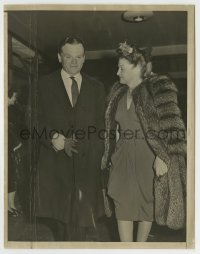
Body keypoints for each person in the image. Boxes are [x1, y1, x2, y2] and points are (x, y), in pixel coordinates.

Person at [101, 41, 186, 242]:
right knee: (121, 202)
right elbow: (114, 129)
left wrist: (162, 156)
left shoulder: (158, 88)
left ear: (137, 67)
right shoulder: (117, 93)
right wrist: (110, 153)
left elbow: (174, 129)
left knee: (146, 204)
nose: (117, 72)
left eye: (121, 68)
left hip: (149, 157)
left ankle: (140, 247)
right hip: (122, 158)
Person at [35, 36, 106, 241]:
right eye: (68, 56)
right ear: (59, 57)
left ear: (84, 59)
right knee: (61, 227)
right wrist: (52, 137)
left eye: (78, 57)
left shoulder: (97, 87)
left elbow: (101, 127)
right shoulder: (43, 85)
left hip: (86, 168)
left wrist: (97, 154)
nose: (74, 61)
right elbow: (32, 120)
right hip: (56, 167)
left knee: (81, 228)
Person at [8, 88, 23, 217]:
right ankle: (8, 207)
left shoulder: (10, 110)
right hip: (8, 148)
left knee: (11, 176)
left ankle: (10, 206)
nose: (15, 99)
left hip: (10, 147)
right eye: (14, 97)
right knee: (10, 176)